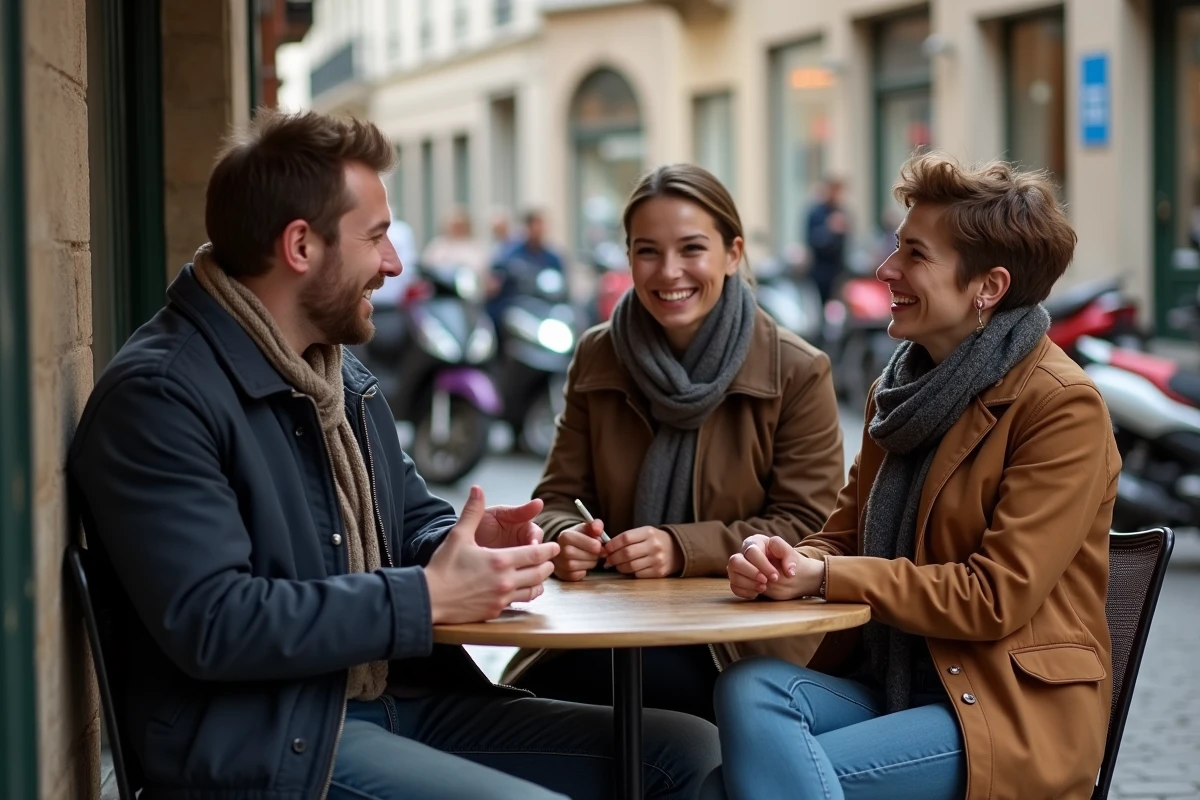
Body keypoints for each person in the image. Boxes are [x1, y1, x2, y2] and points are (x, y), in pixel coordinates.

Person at [67, 110, 724, 800]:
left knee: (689, 748)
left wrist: (473, 548)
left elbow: (412, 525)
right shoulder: (163, 396)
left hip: (403, 699)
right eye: (377, 236)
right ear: (300, 246)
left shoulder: (337, 374)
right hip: (271, 740)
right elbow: (215, 622)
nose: (395, 263)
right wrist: (427, 594)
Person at [716, 153, 1118, 800]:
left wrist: (827, 576)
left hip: (1005, 709)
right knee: (750, 686)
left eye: (915, 255)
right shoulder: (898, 391)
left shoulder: (1060, 405)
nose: (886, 270)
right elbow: (843, 537)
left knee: (725, 788)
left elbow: (995, 597)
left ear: (987, 287)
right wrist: (787, 559)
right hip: (900, 682)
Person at [501, 163, 846, 722]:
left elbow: (810, 526)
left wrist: (681, 548)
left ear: (732, 253)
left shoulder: (797, 369)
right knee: (524, 710)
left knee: (645, 703)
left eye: (691, 249)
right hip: (609, 625)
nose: (668, 272)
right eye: (647, 252)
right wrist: (566, 539)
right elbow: (554, 500)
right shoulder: (598, 354)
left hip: (739, 638)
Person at [805, 178, 849, 305]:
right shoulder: (816, 213)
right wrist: (829, 229)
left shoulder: (843, 212)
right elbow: (811, 240)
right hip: (820, 269)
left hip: (838, 269)